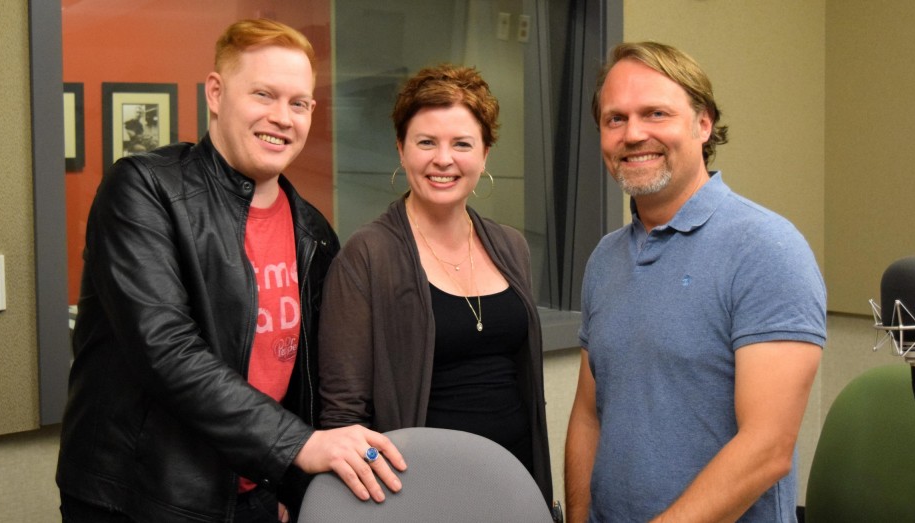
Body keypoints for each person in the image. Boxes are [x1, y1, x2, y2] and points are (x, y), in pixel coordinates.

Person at [56, 19, 405, 523]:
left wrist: (292, 481)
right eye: (264, 95)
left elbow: (306, 376)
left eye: (299, 103)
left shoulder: (313, 232)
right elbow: (166, 349)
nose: (282, 118)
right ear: (216, 93)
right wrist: (296, 446)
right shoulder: (145, 191)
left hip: (258, 491)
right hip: (145, 497)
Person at [564, 42, 826, 523]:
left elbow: (767, 448)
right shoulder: (605, 259)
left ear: (703, 124)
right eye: (615, 119)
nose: (633, 134)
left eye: (655, 113)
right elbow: (587, 414)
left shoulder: (766, 248)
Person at [317, 64, 555, 510]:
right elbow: (343, 415)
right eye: (426, 142)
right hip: (419, 494)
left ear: (485, 154)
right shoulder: (368, 254)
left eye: (461, 143)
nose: (442, 159)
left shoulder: (511, 245)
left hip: (513, 484)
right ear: (401, 150)